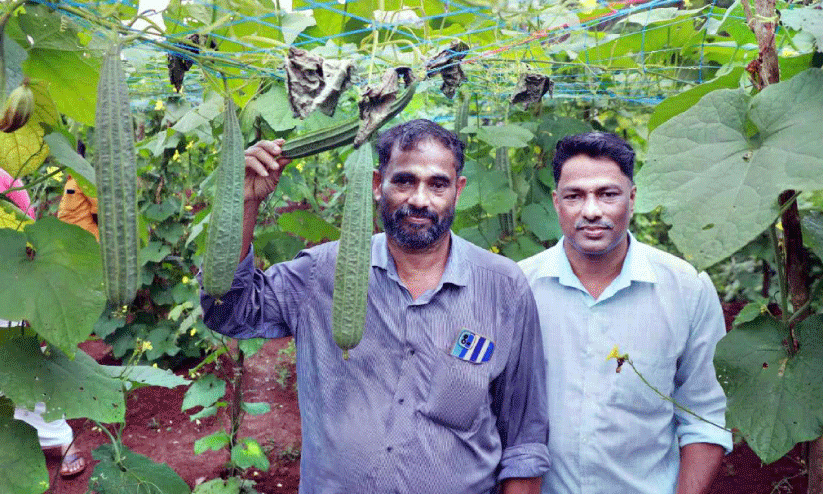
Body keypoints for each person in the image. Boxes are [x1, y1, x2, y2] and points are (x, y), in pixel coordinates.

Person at [201, 119, 550, 493]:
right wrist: (244, 200)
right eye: (404, 180)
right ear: (375, 184)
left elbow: (524, 438)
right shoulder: (320, 274)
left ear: (458, 190)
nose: (419, 199)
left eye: (437, 184)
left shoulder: (503, 286)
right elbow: (228, 312)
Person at [517, 132, 732, 494]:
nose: (591, 211)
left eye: (608, 194)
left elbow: (704, 416)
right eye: (574, 196)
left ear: (632, 198)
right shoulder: (518, 287)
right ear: (556, 202)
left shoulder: (686, 290)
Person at [0, 167, 86, 478]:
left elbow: (27, 236)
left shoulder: (5, 180)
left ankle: (61, 440)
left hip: (8, 281)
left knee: (20, 363)